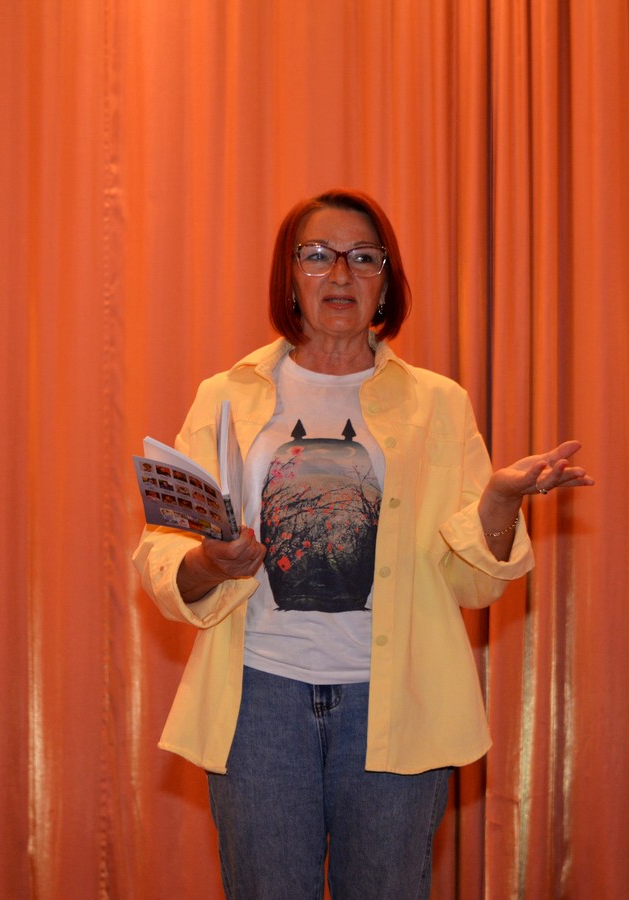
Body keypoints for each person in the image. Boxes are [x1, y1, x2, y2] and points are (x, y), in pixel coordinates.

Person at [132, 188, 593, 899]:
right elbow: (164, 553)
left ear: (386, 280)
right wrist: (207, 562)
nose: (340, 274)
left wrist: (500, 500)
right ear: (290, 276)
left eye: (363, 258)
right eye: (317, 255)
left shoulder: (438, 403)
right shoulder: (226, 395)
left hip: (398, 699)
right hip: (258, 696)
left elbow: (473, 583)